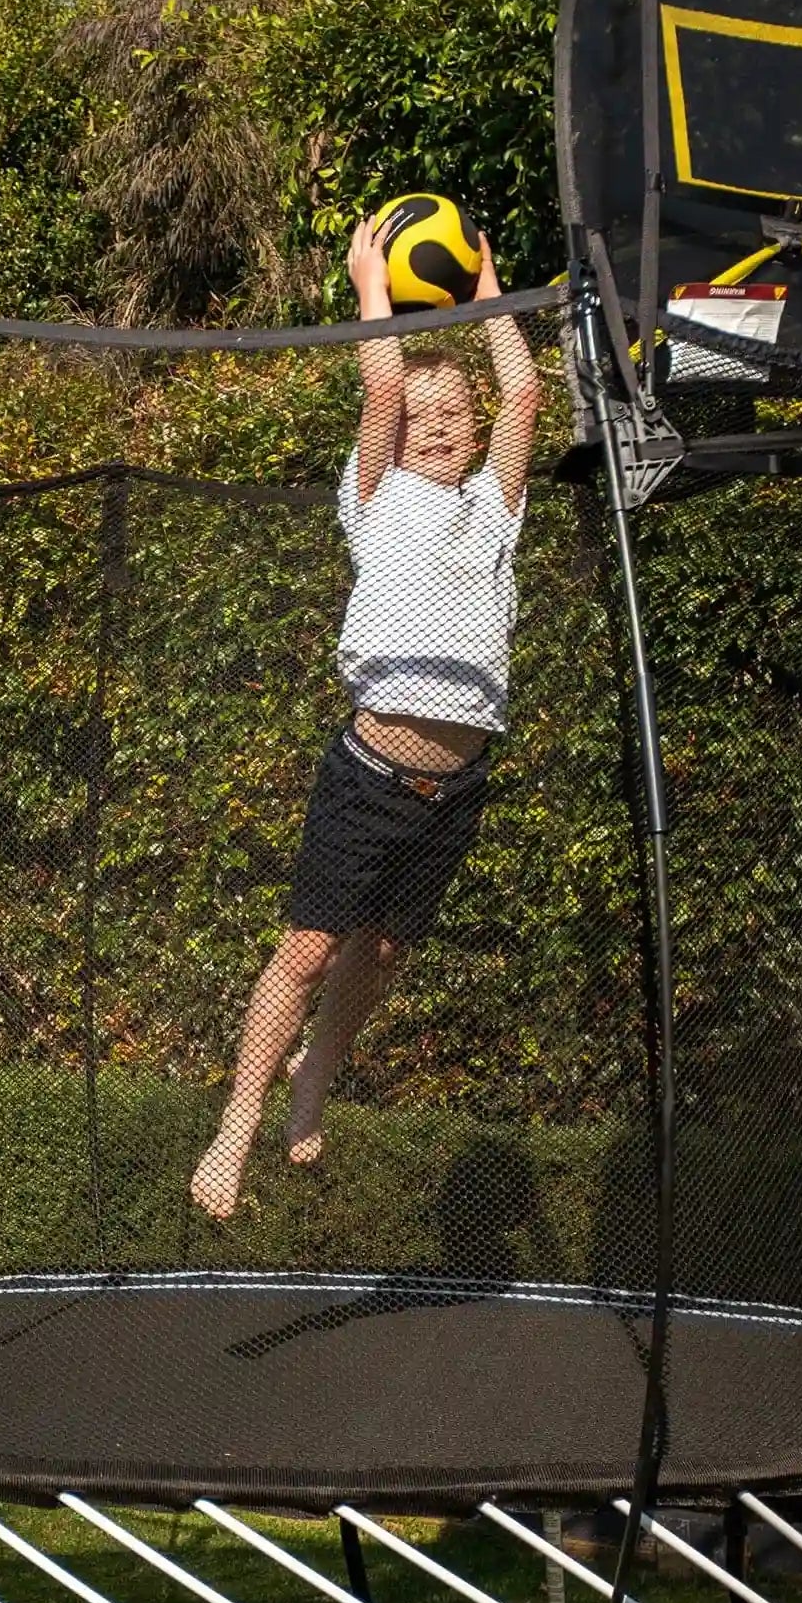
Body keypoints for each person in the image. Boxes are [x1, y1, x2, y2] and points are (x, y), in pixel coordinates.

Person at [191, 207, 542, 1217]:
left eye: (452, 410)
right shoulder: (377, 496)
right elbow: (384, 381)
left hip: (455, 788)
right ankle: (232, 1133)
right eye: (421, 411)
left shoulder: (493, 507)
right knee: (306, 951)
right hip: (370, 777)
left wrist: (488, 291)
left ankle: (312, 1081)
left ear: (472, 430)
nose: (435, 421)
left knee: (379, 956)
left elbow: (523, 389)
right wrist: (370, 287)